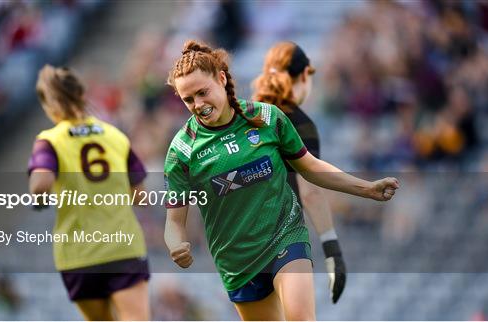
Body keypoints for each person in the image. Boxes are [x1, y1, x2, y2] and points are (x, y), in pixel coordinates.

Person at [163, 40, 398, 321]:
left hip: (285, 236)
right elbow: (174, 222)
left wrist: (366, 188)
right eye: (189, 100)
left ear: (222, 79)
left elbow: (311, 167)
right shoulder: (182, 151)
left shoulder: (266, 118)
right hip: (237, 261)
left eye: (203, 93)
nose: (198, 104)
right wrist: (175, 245)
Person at [28, 65, 150, 321]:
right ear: (83, 96)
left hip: (78, 254)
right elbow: (140, 195)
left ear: (48, 106)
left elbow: (40, 183)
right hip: (122, 245)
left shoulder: (50, 141)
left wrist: (39, 199)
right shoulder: (115, 136)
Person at [252, 41, 346, 304]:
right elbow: (311, 191)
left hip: (239, 248)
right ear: (305, 75)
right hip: (282, 243)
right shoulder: (299, 124)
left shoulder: (243, 119)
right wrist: (332, 249)